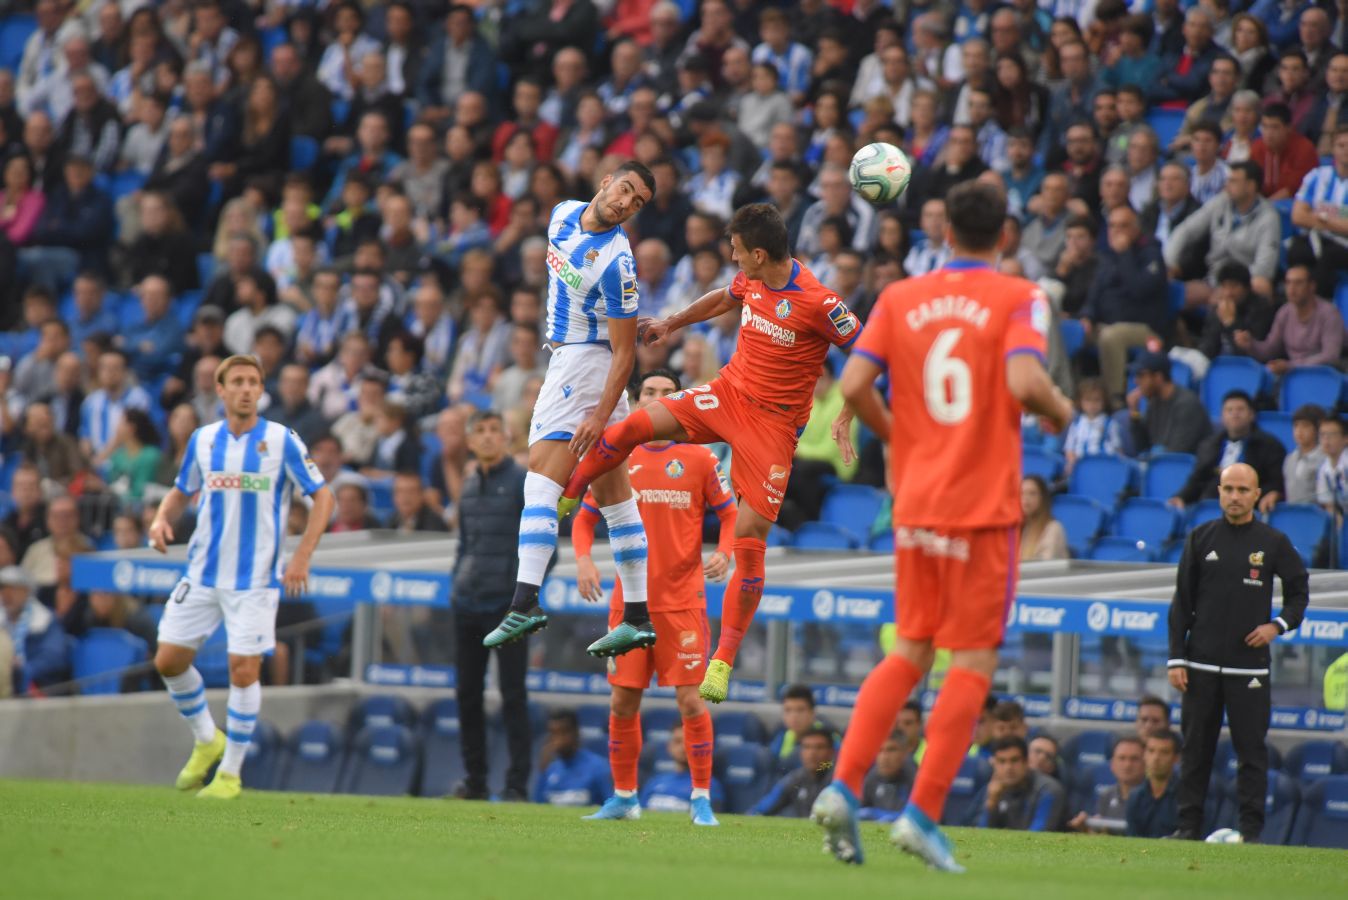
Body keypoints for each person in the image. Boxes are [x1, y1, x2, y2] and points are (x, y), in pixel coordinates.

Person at [814, 181, 1072, 872]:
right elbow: (1023, 382)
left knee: (909, 653)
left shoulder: (900, 297)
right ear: (1005, 234)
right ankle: (922, 813)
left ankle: (843, 784)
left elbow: (855, 387)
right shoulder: (1020, 295)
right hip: (982, 506)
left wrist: (903, 443)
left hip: (918, 501)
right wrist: (1063, 409)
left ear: (946, 231)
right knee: (973, 663)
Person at [559, 203, 862, 701]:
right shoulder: (752, 281)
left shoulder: (818, 302)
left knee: (749, 539)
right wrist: (673, 323)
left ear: (760, 254)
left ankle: (722, 660)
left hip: (772, 427)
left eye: (739, 252)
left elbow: (868, 351)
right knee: (635, 424)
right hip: (727, 394)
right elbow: (725, 297)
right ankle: (568, 495)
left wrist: (849, 409)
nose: (734, 259)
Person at [480, 161, 657, 659]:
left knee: (540, 474)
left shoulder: (618, 263)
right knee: (616, 494)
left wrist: (599, 414)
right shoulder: (561, 215)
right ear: (605, 182)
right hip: (570, 358)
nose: (626, 203)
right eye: (625, 190)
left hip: (585, 364)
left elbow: (625, 353)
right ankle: (637, 616)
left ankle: (524, 600)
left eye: (637, 202)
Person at [147, 355, 334, 799]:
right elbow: (181, 489)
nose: (247, 388)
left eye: (254, 381)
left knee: (243, 670)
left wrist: (301, 557)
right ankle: (208, 739)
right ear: (222, 389)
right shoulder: (204, 440)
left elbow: (322, 497)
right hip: (203, 573)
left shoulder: (281, 440)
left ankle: (230, 774)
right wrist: (159, 520)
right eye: (238, 382)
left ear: (261, 390)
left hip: (255, 580)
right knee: (168, 662)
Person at [577, 370, 734, 826]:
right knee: (623, 703)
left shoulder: (701, 458)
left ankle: (701, 798)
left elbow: (729, 515)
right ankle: (625, 797)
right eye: (651, 392)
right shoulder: (617, 456)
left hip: (682, 603)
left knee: (690, 701)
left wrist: (725, 554)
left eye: (669, 393)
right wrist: (584, 561)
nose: (659, 398)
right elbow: (585, 519)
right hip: (629, 605)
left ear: (681, 400)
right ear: (637, 399)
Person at [1167, 462, 1309, 841]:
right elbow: (1181, 603)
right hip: (1198, 666)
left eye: (1243, 490)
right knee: (1195, 752)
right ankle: (1187, 828)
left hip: (1249, 670)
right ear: (1218, 491)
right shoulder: (1200, 537)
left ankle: (1250, 832)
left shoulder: (1273, 543)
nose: (1234, 496)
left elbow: (1299, 592)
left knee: (1251, 754)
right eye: (1228, 489)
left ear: (1257, 495)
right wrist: (1176, 658)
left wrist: (1276, 626)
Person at [452, 410, 530, 800]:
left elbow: (542, 545)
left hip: (508, 608)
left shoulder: (521, 483)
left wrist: (522, 599)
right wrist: (456, 584)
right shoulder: (468, 485)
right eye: (479, 432)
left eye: (494, 431)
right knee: (467, 695)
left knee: (513, 695)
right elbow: (464, 544)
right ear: (468, 442)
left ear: (507, 437)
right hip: (468, 603)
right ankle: (476, 781)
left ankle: (516, 785)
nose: (487, 438)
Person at [1169, 391, 1285, 512]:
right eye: (1229, 410)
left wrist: (1270, 494)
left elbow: (1276, 482)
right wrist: (1181, 497)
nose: (1235, 414)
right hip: (1211, 506)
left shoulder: (1269, 446)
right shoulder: (1210, 445)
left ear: (1252, 415)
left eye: (1240, 409)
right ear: (1222, 417)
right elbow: (1198, 479)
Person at [1237, 263, 1345, 373]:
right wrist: (1251, 345)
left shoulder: (1329, 314)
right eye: (1288, 282)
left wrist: (1291, 366)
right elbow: (1270, 350)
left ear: (1312, 286)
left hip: (1323, 375)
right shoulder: (1284, 312)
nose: (1292, 288)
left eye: (1298, 283)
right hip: (1293, 375)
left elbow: (1330, 356)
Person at [1290, 125, 1348, 298]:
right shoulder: (1317, 175)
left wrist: (1321, 219)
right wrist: (1335, 224)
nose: (1346, 150)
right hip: (1317, 237)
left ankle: (1320, 308)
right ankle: (1295, 303)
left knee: (1328, 257)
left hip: (1343, 246)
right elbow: (1298, 215)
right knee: (1296, 250)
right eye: (1341, 145)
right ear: (1332, 149)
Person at [967, 736, 1066, 831]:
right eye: (1002, 761)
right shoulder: (992, 789)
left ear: (1026, 762)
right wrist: (991, 804)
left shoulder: (1048, 789)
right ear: (994, 763)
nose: (1008, 768)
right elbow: (980, 835)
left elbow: (1039, 835)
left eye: (1014, 760)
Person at [1126, 351, 1212, 456]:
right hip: (1162, 465)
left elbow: (1176, 454)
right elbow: (1142, 447)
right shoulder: (1154, 402)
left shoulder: (1187, 405)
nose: (1136, 381)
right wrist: (1135, 413)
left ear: (1158, 377)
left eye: (1141, 375)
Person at [0, 564, 68, 696]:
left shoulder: (44, 620)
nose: (7, 595)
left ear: (27, 591)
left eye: (13, 589)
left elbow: (54, 656)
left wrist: (23, 669)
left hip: (35, 688)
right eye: (3, 589)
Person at [639, 722, 728, 813]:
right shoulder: (655, 781)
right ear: (669, 746)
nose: (683, 747)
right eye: (678, 741)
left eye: (690, 742)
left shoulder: (709, 785)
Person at [751, 726, 836, 817]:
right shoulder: (795, 779)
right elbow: (761, 809)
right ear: (800, 751)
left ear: (831, 752)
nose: (812, 753)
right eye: (807, 747)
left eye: (819, 747)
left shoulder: (839, 780)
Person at [533, 710, 612, 807]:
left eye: (564, 732)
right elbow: (537, 808)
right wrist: (542, 773)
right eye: (553, 733)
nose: (559, 739)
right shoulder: (549, 769)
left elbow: (612, 808)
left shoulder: (599, 767)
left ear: (576, 733)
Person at [1067, 735, 1145, 833]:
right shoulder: (1106, 796)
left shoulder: (1153, 797)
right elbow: (1100, 837)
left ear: (1145, 763)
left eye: (1134, 759)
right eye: (1122, 758)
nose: (1127, 765)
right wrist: (1086, 828)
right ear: (1112, 764)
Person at [1125, 731, 1183, 838]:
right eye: (1151, 751)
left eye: (1164, 752)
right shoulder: (1135, 797)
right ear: (1144, 755)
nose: (1156, 758)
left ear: (1176, 758)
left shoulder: (1186, 797)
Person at [859, 732, 917, 821]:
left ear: (905, 753)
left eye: (891, 750)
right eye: (880, 750)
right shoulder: (872, 777)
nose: (884, 757)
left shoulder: (914, 777)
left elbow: (920, 815)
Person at [1284, 405, 1327, 506]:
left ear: (1318, 429)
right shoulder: (1289, 459)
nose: (1299, 430)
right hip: (1293, 515)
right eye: (1296, 425)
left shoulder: (1325, 459)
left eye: (1305, 425)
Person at [1316, 415, 1348, 518]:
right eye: (1322, 435)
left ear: (1345, 438)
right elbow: (1328, 503)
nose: (1326, 440)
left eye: (1332, 435)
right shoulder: (1323, 468)